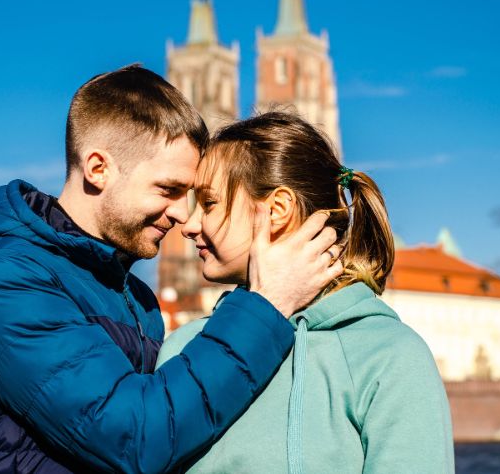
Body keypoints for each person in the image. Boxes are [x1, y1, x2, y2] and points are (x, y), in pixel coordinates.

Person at [0, 66, 343, 473]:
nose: (184, 215)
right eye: (169, 190)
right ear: (98, 168)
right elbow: (134, 437)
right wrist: (266, 303)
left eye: (194, 195)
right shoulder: (2, 278)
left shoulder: (130, 292)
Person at [157, 111, 455, 474]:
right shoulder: (182, 349)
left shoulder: (388, 357)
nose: (187, 225)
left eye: (208, 203)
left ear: (277, 210)